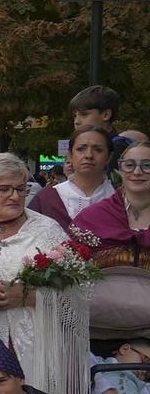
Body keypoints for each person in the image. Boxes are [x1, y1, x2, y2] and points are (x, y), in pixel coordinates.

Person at [0, 153, 87, 394]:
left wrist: (28, 297)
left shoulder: (47, 231)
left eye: (21, 188)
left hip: (35, 349)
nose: (15, 196)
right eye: (4, 189)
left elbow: (79, 299)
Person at [71, 139, 150, 341]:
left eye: (147, 165)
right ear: (119, 169)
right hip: (95, 331)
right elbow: (69, 270)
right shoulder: (93, 216)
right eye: (130, 165)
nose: (137, 172)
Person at [30, 125, 115, 227]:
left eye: (98, 150)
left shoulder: (121, 198)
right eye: (81, 149)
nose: (88, 155)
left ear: (109, 157)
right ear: (70, 155)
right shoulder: (47, 197)